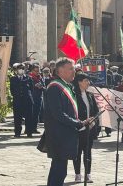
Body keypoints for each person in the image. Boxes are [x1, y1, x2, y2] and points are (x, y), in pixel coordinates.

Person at [45, 57, 93, 186]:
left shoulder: (67, 86)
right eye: (71, 68)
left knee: (60, 170)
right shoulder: (55, 87)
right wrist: (78, 123)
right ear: (60, 71)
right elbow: (58, 114)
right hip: (58, 135)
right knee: (58, 171)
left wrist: (83, 121)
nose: (74, 71)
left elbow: (70, 111)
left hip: (66, 134)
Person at [72, 73, 99, 183]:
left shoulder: (90, 95)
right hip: (78, 128)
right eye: (86, 81)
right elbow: (72, 112)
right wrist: (81, 122)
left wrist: (94, 120)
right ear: (79, 82)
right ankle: (77, 174)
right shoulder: (73, 95)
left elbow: (96, 111)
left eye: (88, 81)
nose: (88, 83)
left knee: (88, 152)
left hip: (90, 128)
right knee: (77, 152)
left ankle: (88, 174)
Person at [10, 63, 34, 138]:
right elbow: (12, 90)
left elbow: (31, 88)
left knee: (29, 117)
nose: (21, 70)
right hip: (18, 100)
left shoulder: (28, 78)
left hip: (27, 100)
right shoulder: (13, 78)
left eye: (22, 68)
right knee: (17, 117)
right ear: (16, 70)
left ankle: (29, 132)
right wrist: (17, 96)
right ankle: (17, 132)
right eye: (19, 68)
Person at [29, 64, 45, 134]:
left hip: (39, 97)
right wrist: (35, 86)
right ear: (32, 71)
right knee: (31, 114)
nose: (37, 72)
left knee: (37, 114)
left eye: (38, 70)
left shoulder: (40, 77)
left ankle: (34, 128)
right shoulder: (30, 77)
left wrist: (41, 86)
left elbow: (43, 86)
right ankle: (29, 128)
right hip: (32, 97)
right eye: (36, 71)